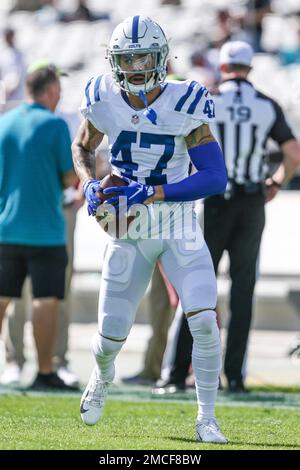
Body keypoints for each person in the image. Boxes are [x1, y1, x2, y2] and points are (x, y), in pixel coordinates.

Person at [72, 16, 228, 444]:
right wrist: (88, 183)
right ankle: (102, 377)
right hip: (129, 231)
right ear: (113, 61)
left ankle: (207, 417)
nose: (135, 67)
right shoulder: (102, 96)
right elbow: (83, 145)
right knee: (109, 337)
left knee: (204, 319)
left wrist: (154, 192)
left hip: (179, 226)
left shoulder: (187, 99)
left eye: (143, 57)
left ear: (161, 58)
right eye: (126, 58)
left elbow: (216, 177)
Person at [153, 40, 300, 395]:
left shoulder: (206, 99)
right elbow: (293, 152)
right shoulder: (266, 104)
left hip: (213, 202)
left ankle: (175, 374)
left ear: (222, 68)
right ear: (249, 68)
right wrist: (276, 182)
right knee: (243, 291)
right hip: (251, 203)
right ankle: (234, 376)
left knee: (195, 286)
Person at [0, 62, 78, 390]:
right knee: (45, 301)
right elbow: (69, 176)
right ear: (49, 90)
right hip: (46, 231)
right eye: (58, 88)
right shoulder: (55, 125)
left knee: (2, 300)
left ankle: (16, 364)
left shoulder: (4, 123)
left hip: (5, 228)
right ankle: (45, 372)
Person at [0, 27, 26, 112]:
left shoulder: (20, 54)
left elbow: (16, 77)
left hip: (17, 97)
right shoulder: (3, 54)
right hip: (6, 98)